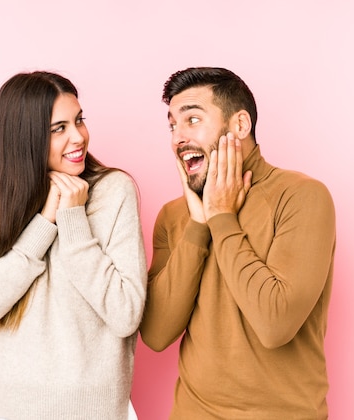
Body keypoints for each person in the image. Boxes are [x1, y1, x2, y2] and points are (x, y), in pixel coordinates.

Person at [139, 67, 336, 419]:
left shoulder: (302, 196)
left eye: (192, 120)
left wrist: (221, 217)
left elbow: (275, 324)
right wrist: (199, 224)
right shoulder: (174, 216)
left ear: (240, 126)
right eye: (172, 125)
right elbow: (155, 334)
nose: (177, 138)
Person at [0, 71, 147, 420]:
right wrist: (45, 223)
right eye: (59, 128)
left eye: (79, 120)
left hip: (96, 413)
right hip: (7, 411)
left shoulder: (112, 190)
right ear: (24, 137)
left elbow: (126, 313)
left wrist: (74, 221)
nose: (78, 137)